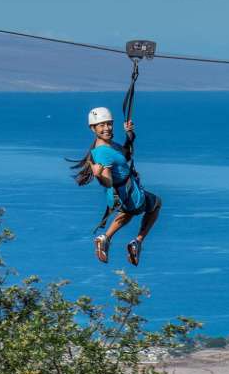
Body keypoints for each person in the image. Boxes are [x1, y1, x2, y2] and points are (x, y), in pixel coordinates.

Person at [69, 107, 162, 265]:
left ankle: (105, 238)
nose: (107, 128)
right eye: (101, 125)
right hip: (128, 194)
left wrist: (130, 135)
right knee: (156, 203)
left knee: (127, 213)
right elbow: (108, 181)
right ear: (93, 128)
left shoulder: (109, 146)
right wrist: (99, 176)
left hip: (121, 195)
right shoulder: (102, 153)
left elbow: (125, 154)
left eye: (109, 124)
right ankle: (137, 242)